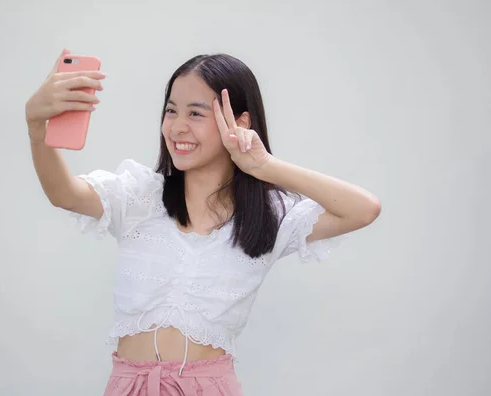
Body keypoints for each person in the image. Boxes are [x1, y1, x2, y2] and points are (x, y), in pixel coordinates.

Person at [25, 49, 381, 395]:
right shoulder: (140, 196)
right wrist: (37, 127)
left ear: (239, 123)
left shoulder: (268, 216)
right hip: (129, 386)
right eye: (171, 111)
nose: (178, 127)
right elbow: (65, 194)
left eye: (195, 114)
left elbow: (363, 209)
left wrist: (264, 166)